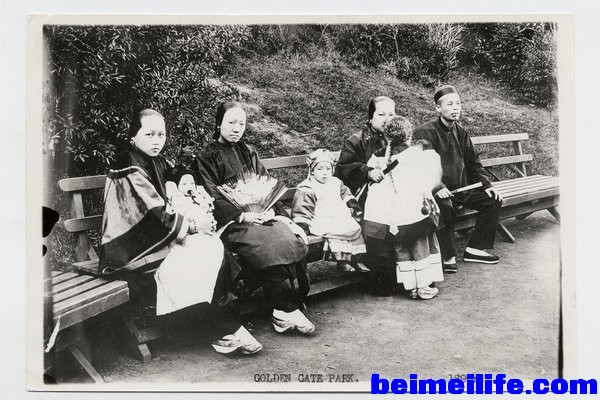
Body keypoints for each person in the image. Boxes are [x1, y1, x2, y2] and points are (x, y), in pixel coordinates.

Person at [99, 107, 262, 355]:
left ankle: (224, 329)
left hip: (157, 237)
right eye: (150, 134)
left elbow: (177, 172)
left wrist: (185, 180)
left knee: (209, 247)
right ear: (133, 136)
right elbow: (152, 214)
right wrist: (193, 226)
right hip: (131, 246)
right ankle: (225, 329)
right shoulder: (129, 168)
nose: (157, 141)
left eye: (161, 135)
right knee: (201, 252)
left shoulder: (156, 160)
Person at [193, 101, 315, 335]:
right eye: (231, 122)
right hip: (233, 223)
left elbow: (266, 183)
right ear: (218, 124)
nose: (236, 128)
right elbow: (211, 195)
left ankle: (284, 308)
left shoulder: (248, 152)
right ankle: (285, 309)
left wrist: (269, 209)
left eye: (241, 123)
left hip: (259, 216)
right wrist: (242, 215)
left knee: (286, 237)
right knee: (267, 243)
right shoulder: (206, 157)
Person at [412, 85, 503, 274]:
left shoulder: (461, 132)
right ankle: (448, 255)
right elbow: (421, 166)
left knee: (493, 199)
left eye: (458, 104)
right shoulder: (424, 132)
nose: (455, 108)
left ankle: (475, 249)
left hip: (461, 190)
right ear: (438, 108)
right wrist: (437, 186)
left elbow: (474, 162)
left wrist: (487, 184)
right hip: (435, 192)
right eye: (450, 104)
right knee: (445, 207)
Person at [361, 115, 444, 299]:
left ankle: (410, 287)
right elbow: (432, 177)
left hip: (392, 214)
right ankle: (424, 285)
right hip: (415, 210)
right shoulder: (418, 152)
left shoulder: (379, 156)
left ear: (387, 135)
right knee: (420, 244)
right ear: (408, 133)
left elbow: (374, 181)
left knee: (401, 246)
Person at [291, 149, 370, 273]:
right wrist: (302, 225)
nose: (324, 173)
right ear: (312, 170)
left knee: (354, 227)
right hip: (321, 217)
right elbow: (302, 207)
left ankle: (357, 259)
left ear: (332, 170)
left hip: (338, 215)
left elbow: (346, 195)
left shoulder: (336, 183)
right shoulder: (308, 187)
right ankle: (342, 261)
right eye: (319, 169)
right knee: (334, 231)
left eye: (328, 169)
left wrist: (351, 205)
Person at [335, 96, 397, 206]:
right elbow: (345, 166)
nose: (387, 119)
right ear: (370, 118)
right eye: (381, 115)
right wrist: (368, 172)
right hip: (366, 195)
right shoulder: (356, 141)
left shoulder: (399, 140)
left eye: (391, 115)